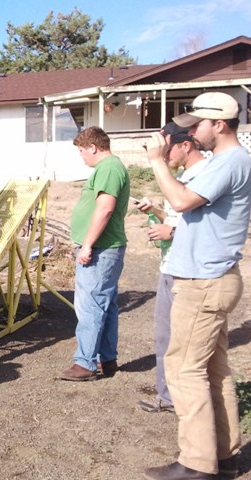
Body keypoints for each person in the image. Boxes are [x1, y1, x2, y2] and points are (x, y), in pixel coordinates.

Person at [143, 92, 250, 480]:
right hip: (211, 277)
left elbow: (183, 200)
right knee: (214, 370)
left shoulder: (230, 161)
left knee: (184, 370)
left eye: (198, 124)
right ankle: (223, 458)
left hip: (202, 281)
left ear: (218, 124)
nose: (194, 130)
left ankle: (196, 464)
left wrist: (157, 161)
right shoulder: (227, 162)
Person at [135, 123, 207, 414]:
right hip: (169, 266)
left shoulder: (206, 176)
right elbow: (179, 217)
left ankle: (188, 404)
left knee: (184, 342)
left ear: (186, 145)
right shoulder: (184, 176)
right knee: (164, 336)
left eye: (167, 151)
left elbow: (207, 228)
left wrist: (172, 233)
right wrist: (156, 212)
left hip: (189, 271)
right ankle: (167, 397)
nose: (164, 157)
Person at [59, 127, 130, 382]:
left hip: (101, 249)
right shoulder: (108, 168)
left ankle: (85, 363)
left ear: (93, 147)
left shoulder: (109, 168)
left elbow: (105, 208)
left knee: (90, 306)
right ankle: (106, 359)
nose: (82, 157)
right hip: (106, 247)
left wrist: (87, 244)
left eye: (81, 151)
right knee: (105, 305)